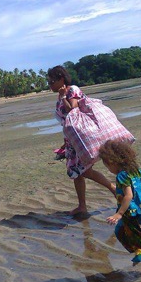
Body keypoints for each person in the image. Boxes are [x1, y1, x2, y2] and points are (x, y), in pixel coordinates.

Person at [47, 65, 116, 216]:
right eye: (48, 82)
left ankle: (114, 190)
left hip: (81, 137)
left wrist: (64, 97)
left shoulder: (72, 90)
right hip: (73, 139)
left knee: (83, 171)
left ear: (61, 79)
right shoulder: (60, 95)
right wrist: (66, 143)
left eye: (52, 81)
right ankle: (82, 206)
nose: (49, 84)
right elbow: (67, 121)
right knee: (77, 172)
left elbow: (73, 111)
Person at [99, 140, 141, 276]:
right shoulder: (135, 170)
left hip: (131, 213)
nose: (109, 169)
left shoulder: (122, 176)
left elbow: (128, 195)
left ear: (112, 162)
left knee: (137, 239)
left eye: (107, 166)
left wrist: (119, 214)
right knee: (125, 231)